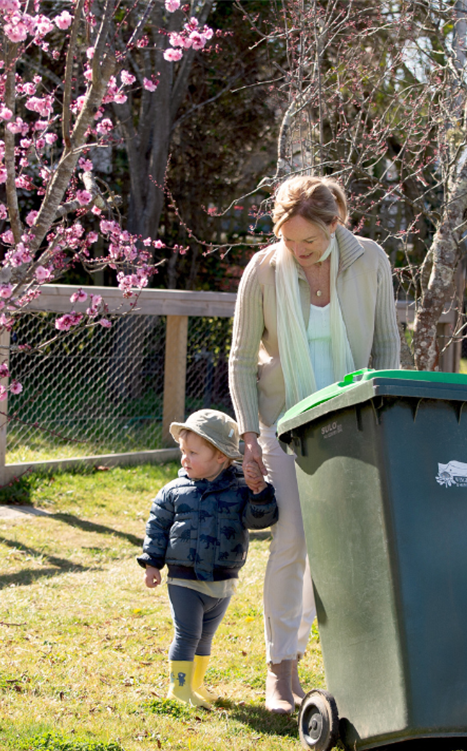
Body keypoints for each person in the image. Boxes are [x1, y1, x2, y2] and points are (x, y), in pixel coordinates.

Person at [228, 175, 401, 714]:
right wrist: (248, 434)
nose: (299, 254)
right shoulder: (264, 269)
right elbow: (239, 358)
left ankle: (357, 674)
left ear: (336, 223)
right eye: (289, 242)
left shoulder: (372, 262)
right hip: (287, 425)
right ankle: (281, 672)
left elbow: (387, 346)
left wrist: (388, 422)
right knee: (294, 541)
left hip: (354, 427)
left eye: (310, 243)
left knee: (348, 552)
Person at [138, 408, 279, 708]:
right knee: (188, 635)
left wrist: (259, 493)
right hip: (184, 579)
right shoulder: (174, 490)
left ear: (221, 457)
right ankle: (178, 689)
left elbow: (259, 521)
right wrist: (152, 562)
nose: (184, 459)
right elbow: (157, 526)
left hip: (223, 580)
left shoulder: (241, 488)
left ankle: (195, 684)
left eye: (193, 452)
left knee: (204, 638)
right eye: (183, 451)